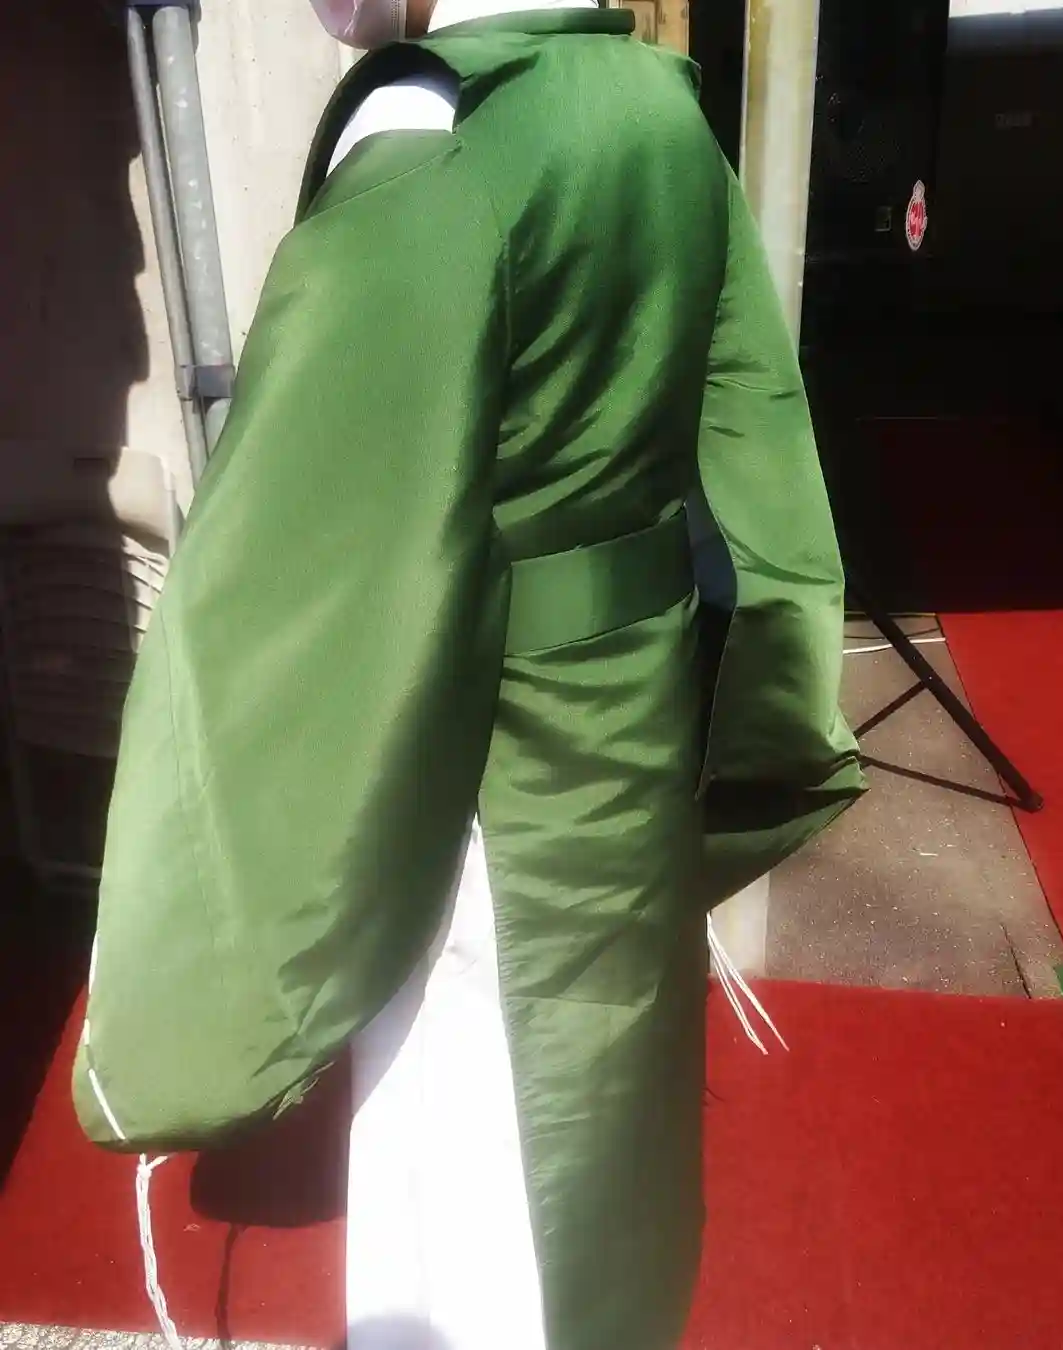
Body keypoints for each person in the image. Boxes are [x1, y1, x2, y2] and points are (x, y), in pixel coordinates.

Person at [75, 3, 865, 1349]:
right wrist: (768, 674)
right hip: (635, 701)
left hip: (487, 743)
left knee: (467, 1130)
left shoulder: (433, 134)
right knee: (607, 1110)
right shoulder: (658, 103)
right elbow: (748, 416)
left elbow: (312, 535)